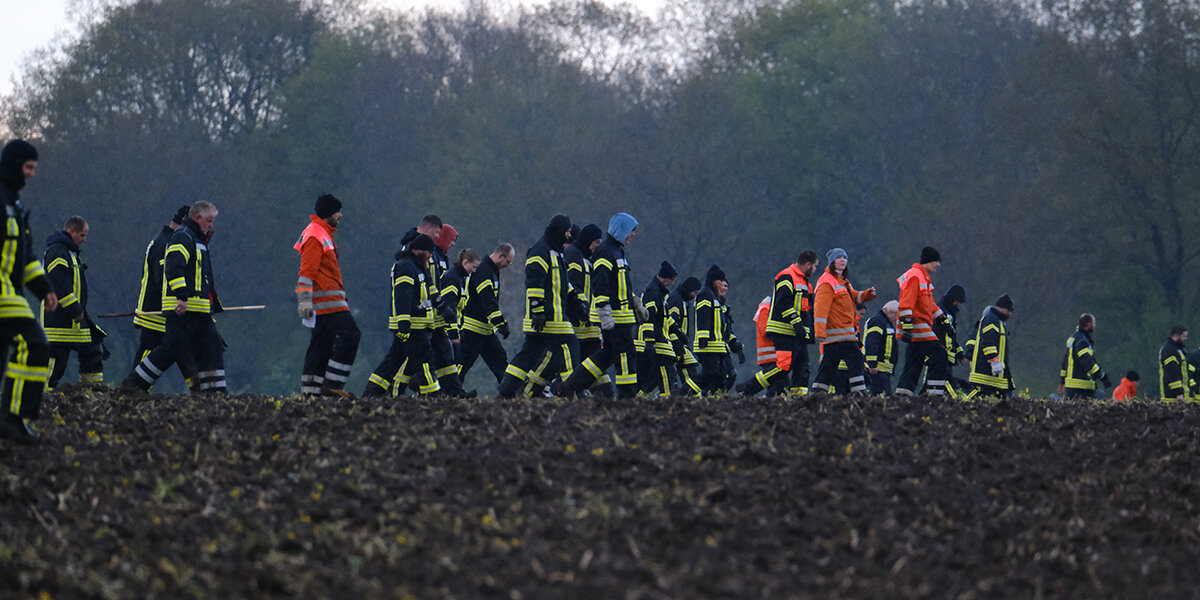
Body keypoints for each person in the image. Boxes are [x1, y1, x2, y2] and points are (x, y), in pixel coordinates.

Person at [121, 202, 226, 393]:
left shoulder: (197, 239)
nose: (211, 226)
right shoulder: (182, 237)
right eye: (209, 221)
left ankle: (215, 393)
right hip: (180, 309)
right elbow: (172, 269)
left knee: (212, 346)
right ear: (197, 218)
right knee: (171, 349)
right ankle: (134, 385)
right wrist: (181, 296)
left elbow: (203, 277)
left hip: (198, 309)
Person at [0, 140, 58, 443]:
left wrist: (44, 288)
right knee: (35, 343)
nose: (32, 174)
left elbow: (26, 256)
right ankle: (12, 418)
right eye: (28, 168)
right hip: (4, 295)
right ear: (14, 166)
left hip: (10, 291)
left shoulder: (17, 205)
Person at [497, 214, 584, 398]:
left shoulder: (555, 251)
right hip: (550, 318)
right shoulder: (540, 251)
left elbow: (561, 280)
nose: (569, 235)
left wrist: (573, 298)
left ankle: (506, 391)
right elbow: (534, 283)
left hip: (548, 318)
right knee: (570, 346)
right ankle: (574, 395)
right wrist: (538, 311)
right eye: (567, 231)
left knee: (526, 356)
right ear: (560, 230)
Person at [557, 212, 641, 398]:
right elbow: (600, 282)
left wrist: (635, 303)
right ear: (621, 230)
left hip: (621, 315)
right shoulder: (606, 251)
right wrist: (604, 311)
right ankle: (627, 395)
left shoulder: (616, 251)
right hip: (615, 317)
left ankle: (571, 384)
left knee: (607, 354)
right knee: (626, 355)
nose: (632, 235)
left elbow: (620, 284)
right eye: (630, 231)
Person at [295, 194, 360, 398]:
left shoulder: (320, 232)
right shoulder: (316, 234)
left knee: (320, 347)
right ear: (330, 213)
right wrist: (304, 301)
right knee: (351, 335)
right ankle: (332, 384)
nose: (340, 215)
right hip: (328, 303)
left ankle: (311, 393)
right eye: (338, 211)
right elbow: (307, 271)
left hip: (327, 302)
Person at [363, 234, 440, 396]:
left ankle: (372, 391)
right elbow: (403, 296)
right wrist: (403, 323)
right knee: (425, 359)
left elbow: (427, 296)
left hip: (417, 325)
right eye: (428, 252)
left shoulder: (418, 267)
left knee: (394, 360)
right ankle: (432, 395)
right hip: (412, 325)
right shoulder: (406, 266)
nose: (430, 256)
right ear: (417, 250)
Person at [133, 205, 199, 391]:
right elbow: (163, 278)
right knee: (151, 353)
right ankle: (134, 390)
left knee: (184, 352)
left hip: (165, 313)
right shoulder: (166, 244)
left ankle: (202, 391)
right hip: (157, 314)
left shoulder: (165, 240)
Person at [399, 215, 466, 397]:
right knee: (413, 358)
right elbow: (423, 287)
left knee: (445, 357)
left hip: (434, 318)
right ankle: (397, 390)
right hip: (423, 318)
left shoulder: (438, 256)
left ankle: (454, 393)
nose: (451, 244)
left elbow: (433, 285)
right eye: (438, 233)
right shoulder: (422, 251)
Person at [736, 251, 818, 397]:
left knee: (803, 368)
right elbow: (782, 302)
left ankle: (799, 400)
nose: (815, 270)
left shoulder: (806, 283)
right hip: (784, 331)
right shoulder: (786, 276)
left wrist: (810, 331)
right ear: (808, 264)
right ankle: (748, 388)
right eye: (814, 266)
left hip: (798, 334)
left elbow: (807, 309)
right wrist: (796, 322)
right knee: (783, 367)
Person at [42, 216, 105, 387]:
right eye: (82, 236)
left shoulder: (69, 252)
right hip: (59, 320)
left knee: (93, 349)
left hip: (73, 321)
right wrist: (76, 310)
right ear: (71, 231)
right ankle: (39, 397)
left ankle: (91, 392)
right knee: (54, 364)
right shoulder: (57, 252)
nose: (84, 240)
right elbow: (58, 285)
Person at [810, 248, 876, 395]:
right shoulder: (827, 282)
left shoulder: (843, 281)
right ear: (832, 262)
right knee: (856, 361)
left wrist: (866, 295)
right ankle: (859, 392)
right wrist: (819, 330)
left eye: (844, 258)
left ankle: (817, 393)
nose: (842, 260)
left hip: (842, 335)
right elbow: (820, 308)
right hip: (838, 335)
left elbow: (853, 297)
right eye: (838, 257)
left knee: (828, 366)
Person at [895, 247, 949, 397]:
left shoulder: (922, 276)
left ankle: (903, 393)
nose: (938, 265)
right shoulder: (916, 276)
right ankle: (934, 393)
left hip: (919, 325)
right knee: (939, 355)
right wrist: (907, 324)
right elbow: (907, 300)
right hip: (917, 326)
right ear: (929, 260)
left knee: (914, 361)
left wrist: (941, 316)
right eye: (936, 261)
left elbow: (929, 302)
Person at [459, 244, 514, 386]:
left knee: (500, 360)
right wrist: (501, 323)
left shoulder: (493, 270)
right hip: (474, 329)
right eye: (508, 261)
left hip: (485, 329)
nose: (508, 265)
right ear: (501, 256)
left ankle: (509, 392)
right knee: (462, 363)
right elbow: (487, 300)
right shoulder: (484, 271)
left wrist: (499, 323)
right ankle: (448, 390)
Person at [564, 223, 609, 394]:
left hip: (589, 330)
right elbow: (574, 287)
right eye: (596, 242)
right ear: (588, 240)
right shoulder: (573, 255)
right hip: (577, 328)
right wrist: (582, 310)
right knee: (574, 375)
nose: (597, 246)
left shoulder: (585, 258)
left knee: (601, 385)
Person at [693, 264, 737, 394]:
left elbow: (725, 327)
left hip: (718, 346)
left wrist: (735, 345)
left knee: (721, 376)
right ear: (713, 281)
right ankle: (686, 393)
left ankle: (711, 398)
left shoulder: (716, 299)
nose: (722, 284)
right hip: (709, 346)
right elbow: (703, 318)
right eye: (720, 281)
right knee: (709, 375)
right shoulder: (705, 295)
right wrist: (703, 338)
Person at [637, 261, 678, 397]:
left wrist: (676, 330)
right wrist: (649, 339)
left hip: (659, 341)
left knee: (653, 377)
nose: (672, 283)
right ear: (665, 277)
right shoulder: (654, 291)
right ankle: (668, 402)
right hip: (656, 342)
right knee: (667, 375)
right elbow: (649, 316)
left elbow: (663, 316)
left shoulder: (660, 292)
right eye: (672, 280)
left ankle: (637, 399)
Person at [440, 247, 480, 378]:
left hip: (455, 328)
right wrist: (453, 333)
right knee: (450, 360)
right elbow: (449, 307)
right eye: (473, 267)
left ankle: (451, 391)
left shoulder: (461, 278)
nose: (474, 271)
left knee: (453, 361)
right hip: (446, 329)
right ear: (465, 262)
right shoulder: (452, 278)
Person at [966, 295, 1015, 397]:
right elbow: (988, 341)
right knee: (977, 396)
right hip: (985, 374)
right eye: (1009, 311)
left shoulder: (997, 320)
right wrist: (994, 361)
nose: (1010, 314)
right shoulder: (991, 319)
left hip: (994, 376)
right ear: (1003, 308)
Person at [1057, 313, 1111, 400]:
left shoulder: (1073, 338)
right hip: (1082, 387)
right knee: (1100, 397)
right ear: (1088, 324)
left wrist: (1063, 381)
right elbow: (1087, 362)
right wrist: (1102, 376)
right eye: (1094, 323)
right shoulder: (1082, 341)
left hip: (1071, 387)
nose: (1095, 326)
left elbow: (1065, 362)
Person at [667, 276, 703, 394]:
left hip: (679, 344)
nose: (694, 296)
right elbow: (671, 324)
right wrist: (677, 344)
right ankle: (689, 398)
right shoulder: (676, 300)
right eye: (695, 292)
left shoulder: (680, 299)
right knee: (691, 374)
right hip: (677, 344)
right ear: (689, 289)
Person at [862, 300, 900, 395]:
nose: (896, 319)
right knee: (881, 397)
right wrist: (872, 364)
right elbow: (872, 342)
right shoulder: (877, 321)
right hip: (877, 369)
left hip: (882, 369)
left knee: (884, 398)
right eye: (896, 315)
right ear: (890, 311)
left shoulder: (885, 322)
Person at [1159, 325, 1189, 401]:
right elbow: (1171, 372)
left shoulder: (1177, 349)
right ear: (1176, 335)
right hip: (1171, 397)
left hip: (1178, 395)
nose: (1185, 339)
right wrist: (1178, 393)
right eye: (1183, 336)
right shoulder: (1169, 350)